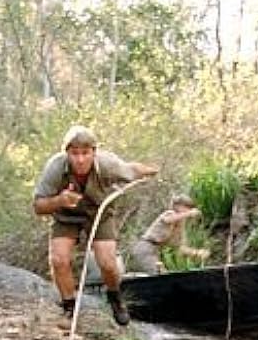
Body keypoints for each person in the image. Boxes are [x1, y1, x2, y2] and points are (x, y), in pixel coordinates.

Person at [33, 125, 158, 326]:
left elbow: (131, 170)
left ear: (94, 152)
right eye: (75, 153)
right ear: (66, 153)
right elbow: (38, 206)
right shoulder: (55, 167)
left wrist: (152, 170)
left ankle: (115, 297)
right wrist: (59, 201)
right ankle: (69, 307)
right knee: (59, 259)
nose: (80, 159)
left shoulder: (108, 163)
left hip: (100, 212)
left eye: (85, 153)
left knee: (107, 262)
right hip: (65, 215)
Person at [129, 194, 210, 274]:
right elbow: (169, 220)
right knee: (158, 274)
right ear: (178, 206)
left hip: (155, 251)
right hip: (145, 248)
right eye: (186, 207)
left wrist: (197, 253)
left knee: (163, 274)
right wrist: (189, 213)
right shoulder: (170, 213)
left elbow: (180, 248)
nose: (188, 210)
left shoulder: (180, 226)